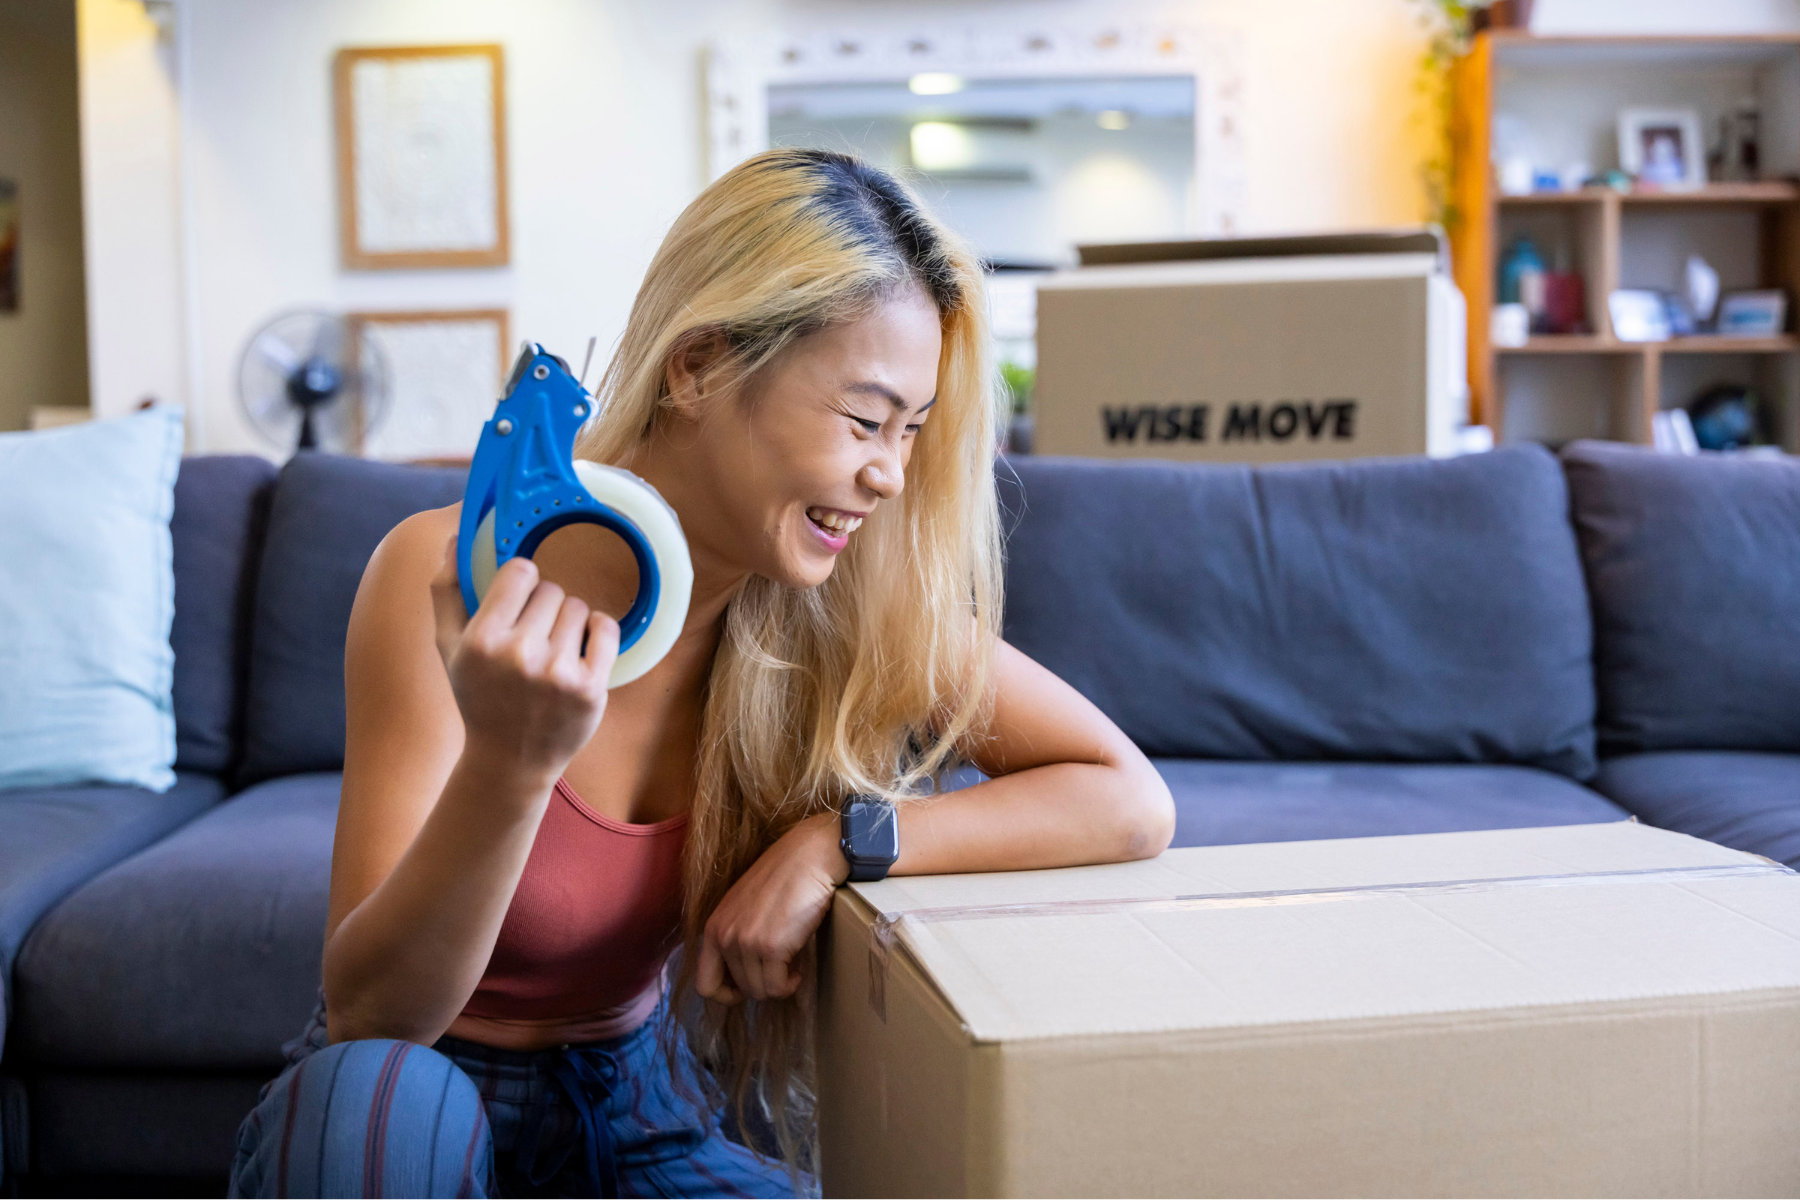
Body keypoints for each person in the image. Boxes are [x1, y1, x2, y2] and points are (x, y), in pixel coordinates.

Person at [227, 148, 1175, 1199]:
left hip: (636, 1113)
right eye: (864, 420)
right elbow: (375, 1018)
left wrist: (836, 844)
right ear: (699, 367)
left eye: (910, 431)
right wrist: (509, 763)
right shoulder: (452, 574)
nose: (891, 475)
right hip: (416, 1108)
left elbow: (1129, 799)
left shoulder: (850, 607)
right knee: (376, 1103)